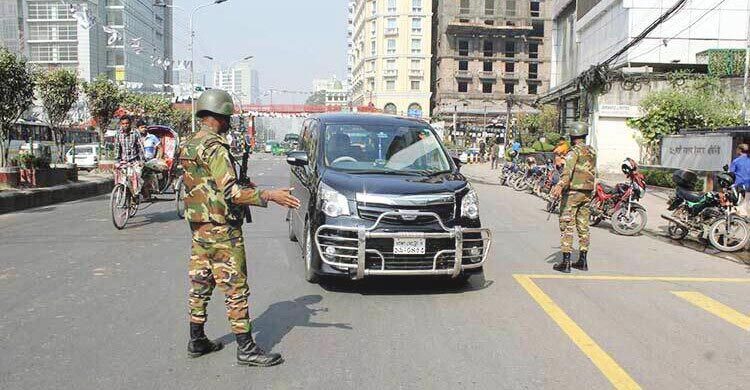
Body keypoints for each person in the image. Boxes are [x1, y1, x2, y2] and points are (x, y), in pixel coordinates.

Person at [179, 89, 300, 367]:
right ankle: (246, 347)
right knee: (235, 287)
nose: (229, 122)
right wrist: (269, 195)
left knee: (201, 282)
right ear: (220, 117)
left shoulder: (189, 144)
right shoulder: (215, 147)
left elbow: (204, 185)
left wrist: (246, 187)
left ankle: (196, 339)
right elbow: (231, 193)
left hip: (199, 227)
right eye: (228, 117)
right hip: (222, 229)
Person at [550, 122, 597, 273]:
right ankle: (583, 261)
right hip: (587, 192)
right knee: (583, 225)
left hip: (573, 193)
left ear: (573, 136)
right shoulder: (592, 151)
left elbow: (567, 172)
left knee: (567, 225)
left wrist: (559, 186)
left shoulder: (573, 152)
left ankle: (566, 262)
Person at [730, 143, 750, 216]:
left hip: (739, 185)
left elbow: (731, 174)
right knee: (746, 204)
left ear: (740, 150)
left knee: (737, 205)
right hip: (748, 186)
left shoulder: (736, 161)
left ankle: (738, 221)